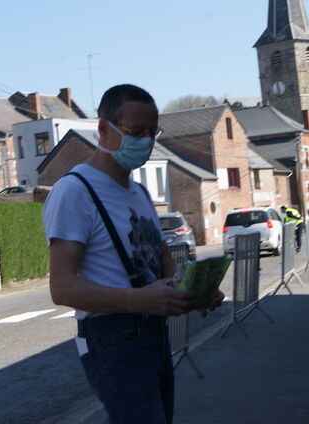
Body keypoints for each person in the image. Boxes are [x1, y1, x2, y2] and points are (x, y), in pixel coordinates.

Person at [43, 84, 224, 424]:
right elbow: (62, 287)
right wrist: (138, 300)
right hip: (112, 339)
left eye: (151, 132)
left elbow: (161, 264)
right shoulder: (74, 192)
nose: (145, 141)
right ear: (102, 129)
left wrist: (193, 293)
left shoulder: (139, 192)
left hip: (152, 333)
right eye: (135, 132)